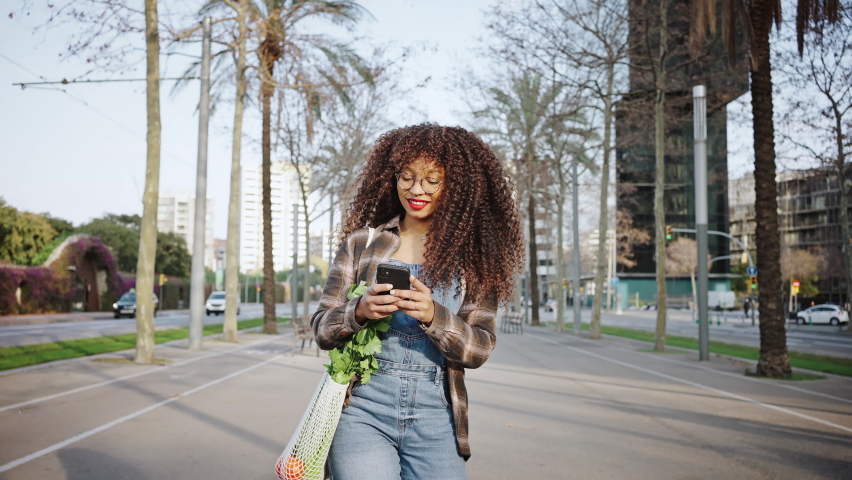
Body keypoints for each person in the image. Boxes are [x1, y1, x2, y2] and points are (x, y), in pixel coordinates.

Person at [312, 124, 524, 480]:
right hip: (364, 409)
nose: (416, 189)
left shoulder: (474, 258)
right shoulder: (363, 244)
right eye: (406, 177)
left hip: (437, 416)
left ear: (455, 186)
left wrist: (434, 316)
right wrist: (359, 312)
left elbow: (479, 350)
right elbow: (321, 329)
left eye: (431, 180)